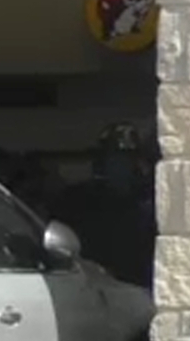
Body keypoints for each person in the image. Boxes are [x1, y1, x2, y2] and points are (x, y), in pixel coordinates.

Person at [46, 123, 158, 291]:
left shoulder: (150, 200)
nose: (120, 165)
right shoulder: (77, 200)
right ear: (101, 161)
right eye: (114, 159)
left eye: (127, 159)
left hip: (141, 287)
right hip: (95, 287)